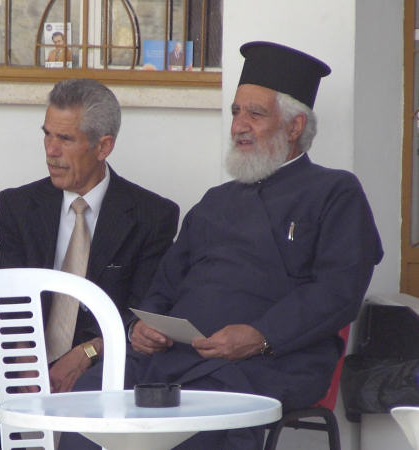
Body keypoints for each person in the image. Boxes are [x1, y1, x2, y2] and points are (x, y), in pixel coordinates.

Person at [63, 41, 384, 450]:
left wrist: (261, 335)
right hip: (173, 358)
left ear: (294, 126)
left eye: (254, 114)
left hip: (270, 361)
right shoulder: (215, 201)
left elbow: (339, 290)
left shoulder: (335, 191)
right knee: (88, 402)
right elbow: (165, 283)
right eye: (235, 112)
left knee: (192, 424)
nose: (238, 126)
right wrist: (145, 327)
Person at [0, 78, 180, 450]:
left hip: (101, 360)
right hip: (23, 352)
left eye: (65, 139)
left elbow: (143, 314)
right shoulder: (19, 206)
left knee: (96, 403)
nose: (51, 151)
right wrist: (24, 361)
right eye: (47, 135)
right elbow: (4, 302)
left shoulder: (151, 215)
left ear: (103, 146)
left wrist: (86, 354)